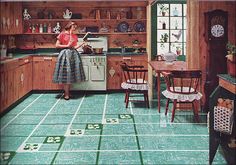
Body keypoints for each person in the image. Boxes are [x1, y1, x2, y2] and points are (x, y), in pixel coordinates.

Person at [53, 21, 86, 100]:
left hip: (74, 55)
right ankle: (66, 94)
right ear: (69, 26)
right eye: (74, 26)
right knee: (66, 75)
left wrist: (81, 44)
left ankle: (68, 93)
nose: (75, 28)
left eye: (75, 27)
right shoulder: (62, 34)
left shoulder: (74, 36)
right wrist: (66, 45)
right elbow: (56, 45)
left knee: (71, 75)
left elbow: (74, 47)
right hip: (65, 55)